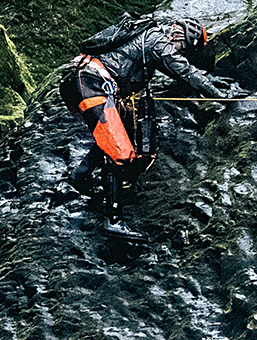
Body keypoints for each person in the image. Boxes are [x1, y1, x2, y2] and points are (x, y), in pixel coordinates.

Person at [59, 16, 226, 240]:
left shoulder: (147, 38)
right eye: (183, 48)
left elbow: (180, 73)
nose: (181, 53)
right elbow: (184, 71)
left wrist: (208, 84)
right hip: (92, 83)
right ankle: (113, 221)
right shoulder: (157, 40)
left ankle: (80, 178)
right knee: (119, 150)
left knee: (117, 135)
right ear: (178, 35)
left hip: (82, 81)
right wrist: (219, 95)